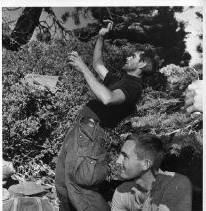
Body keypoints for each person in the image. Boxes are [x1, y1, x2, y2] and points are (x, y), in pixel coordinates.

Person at [55, 21, 155, 211]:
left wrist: (82, 67)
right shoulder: (120, 80)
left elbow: (107, 98)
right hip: (79, 131)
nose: (127, 57)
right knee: (63, 186)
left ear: (142, 63)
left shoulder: (134, 88)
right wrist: (101, 36)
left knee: (81, 187)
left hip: (90, 135)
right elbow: (98, 64)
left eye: (132, 56)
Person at [111, 133, 192, 211]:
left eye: (125, 156)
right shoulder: (122, 192)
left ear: (145, 164)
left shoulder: (176, 184)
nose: (118, 161)